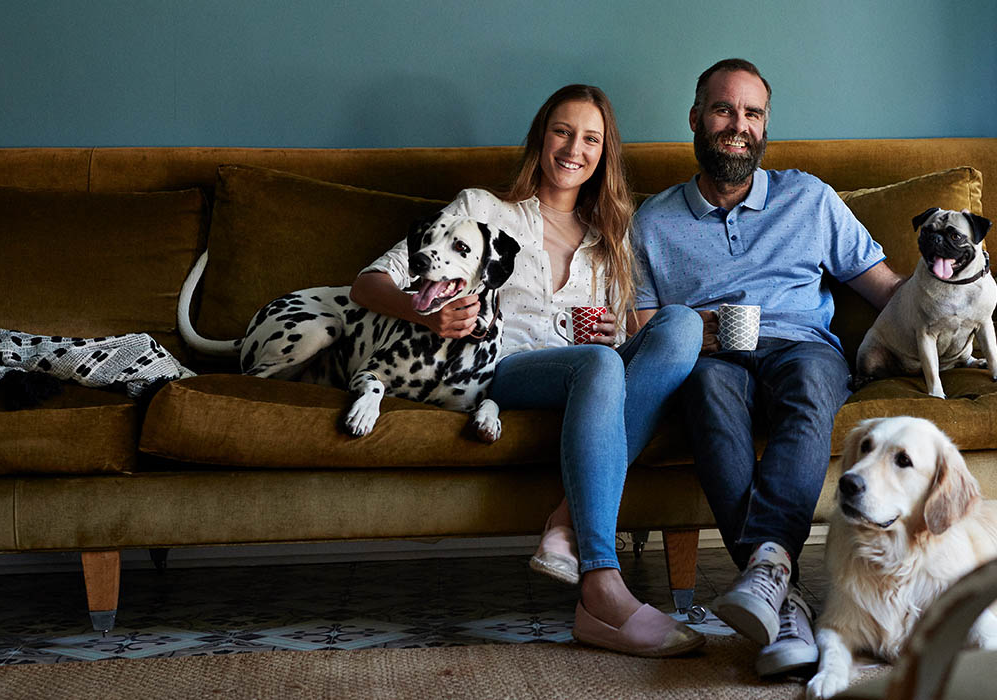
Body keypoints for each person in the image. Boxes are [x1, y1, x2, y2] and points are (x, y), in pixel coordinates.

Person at [350, 84, 705, 657]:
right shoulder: (482, 211)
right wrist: (432, 314)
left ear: (603, 152)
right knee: (598, 363)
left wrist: (617, 333)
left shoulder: (610, 237)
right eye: (562, 131)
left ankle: (563, 527)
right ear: (541, 137)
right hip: (503, 373)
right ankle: (601, 585)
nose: (574, 149)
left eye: (591, 138)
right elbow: (368, 282)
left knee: (680, 325)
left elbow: (631, 336)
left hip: (590, 373)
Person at [631, 59, 904, 676]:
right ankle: (787, 600)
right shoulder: (652, 221)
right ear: (696, 118)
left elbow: (889, 291)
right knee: (704, 390)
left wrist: (958, 302)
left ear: (765, 125)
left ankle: (767, 575)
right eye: (725, 110)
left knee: (811, 384)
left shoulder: (809, 198)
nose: (739, 126)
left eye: (752, 113)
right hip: (711, 353)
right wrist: (694, 330)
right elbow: (640, 326)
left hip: (800, 344)